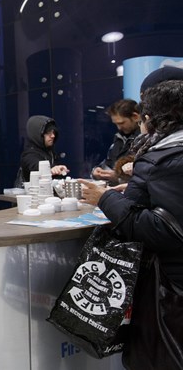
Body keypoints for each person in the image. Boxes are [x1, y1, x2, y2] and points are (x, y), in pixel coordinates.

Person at [80, 79, 183, 368]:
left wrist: (103, 199)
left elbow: (159, 228)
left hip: (169, 288)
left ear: (150, 118)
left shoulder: (164, 158)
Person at [91, 99, 140, 185]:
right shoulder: (119, 138)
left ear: (135, 117)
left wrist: (118, 177)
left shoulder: (145, 139)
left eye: (122, 123)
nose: (119, 128)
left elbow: (144, 174)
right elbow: (109, 163)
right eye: (116, 124)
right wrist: (97, 171)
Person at [18, 115, 69, 183]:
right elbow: (35, 166)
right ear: (37, 134)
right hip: (34, 192)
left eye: (53, 132)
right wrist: (51, 170)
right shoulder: (29, 154)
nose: (53, 136)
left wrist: (59, 170)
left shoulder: (50, 152)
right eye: (48, 133)